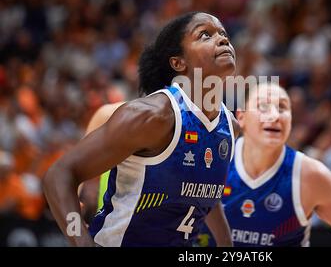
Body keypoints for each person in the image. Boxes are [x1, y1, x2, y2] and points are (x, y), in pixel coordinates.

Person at [43, 12, 239, 247]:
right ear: (178, 62)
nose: (222, 39)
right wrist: (81, 241)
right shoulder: (151, 116)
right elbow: (59, 174)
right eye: (204, 35)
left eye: (223, 34)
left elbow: (206, 196)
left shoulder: (229, 126)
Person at [197, 82, 331, 247]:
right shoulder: (211, 161)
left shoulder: (311, 176)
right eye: (263, 106)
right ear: (241, 117)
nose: (275, 115)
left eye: (282, 108)